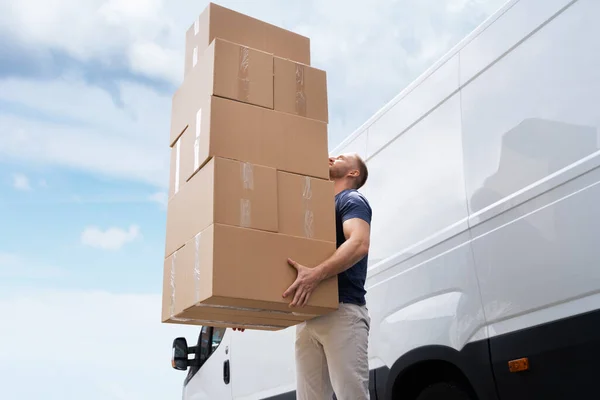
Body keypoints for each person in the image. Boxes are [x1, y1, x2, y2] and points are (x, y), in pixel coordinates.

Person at [284, 152, 372, 400]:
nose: (332, 156)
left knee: (351, 396)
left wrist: (316, 275)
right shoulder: (314, 211)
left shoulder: (351, 199)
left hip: (341, 312)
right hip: (308, 315)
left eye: (342, 156)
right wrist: (246, 311)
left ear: (353, 173)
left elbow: (359, 242)